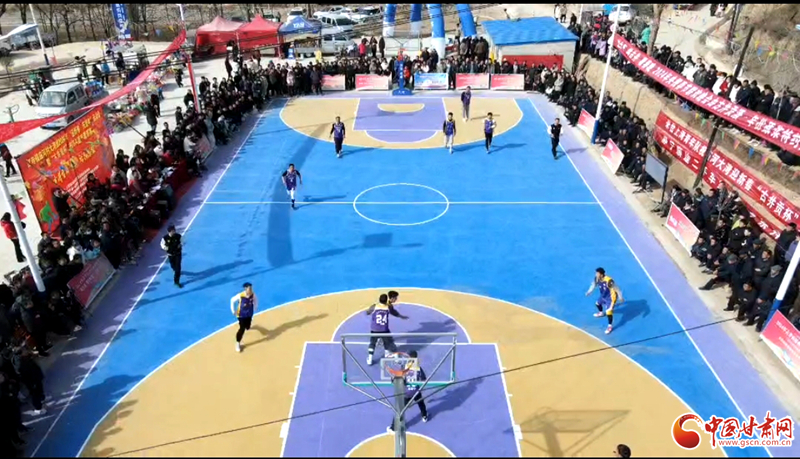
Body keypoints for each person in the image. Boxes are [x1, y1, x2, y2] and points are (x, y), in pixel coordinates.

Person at [387, 349, 429, 433]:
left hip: (407, 393)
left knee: (400, 410)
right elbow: (424, 379)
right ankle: (424, 416)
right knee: (421, 403)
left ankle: (393, 427)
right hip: (416, 391)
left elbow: (399, 377)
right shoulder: (418, 368)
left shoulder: (405, 367)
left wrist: (393, 379)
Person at [365, 291, 408, 366]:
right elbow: (394, 313)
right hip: (384, 329)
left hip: (375, 329)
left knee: (372, 343)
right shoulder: (388, 307)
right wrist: (401, 316)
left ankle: (370, 359)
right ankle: (396, 358)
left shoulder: (374, 306)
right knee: (390, 342)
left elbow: (367, 312)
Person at [585, 267, 623, 334]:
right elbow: (593, 285)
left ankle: (610, 326)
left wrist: (620, 297)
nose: (596, 274)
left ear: (601, 274)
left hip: (611, 298)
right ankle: (601, 313)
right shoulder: (597, 278)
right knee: (597, 304)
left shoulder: (609, 281)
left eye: (597, 273)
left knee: (609, 312)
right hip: (603, 296)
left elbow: (617, 289)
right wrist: (589, 291)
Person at [230, 282, 258, 353]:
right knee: (242, 328)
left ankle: (248, 326)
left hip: (249, 314)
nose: (251, 290)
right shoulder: (240, 295)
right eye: (249, 288)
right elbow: (232, 300)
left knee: (247, 327)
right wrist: (233, 311)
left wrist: (255, 307)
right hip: (241, 315)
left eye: (251, 288)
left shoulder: (253, 295)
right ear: (245, 289)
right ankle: (237, 343)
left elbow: (256, 300)